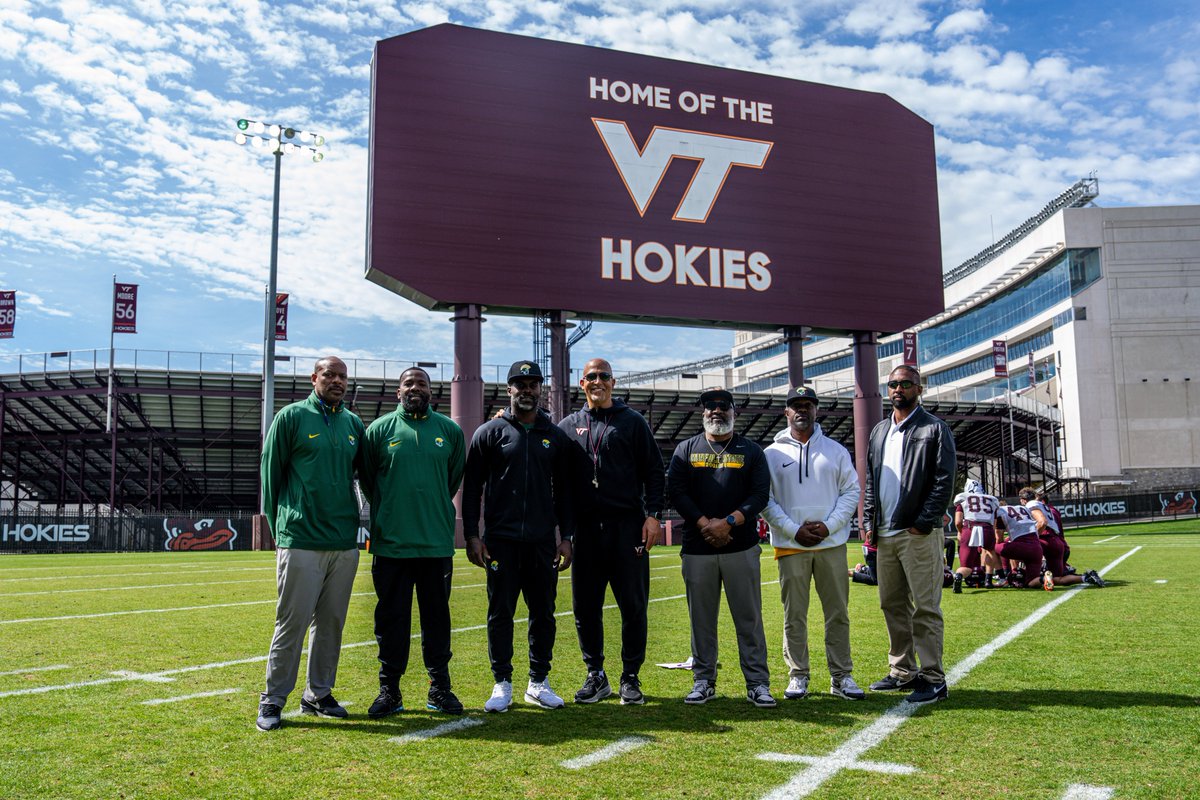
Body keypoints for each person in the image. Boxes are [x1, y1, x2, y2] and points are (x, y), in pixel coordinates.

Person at [256, 356, 366, 732]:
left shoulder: (353, 423)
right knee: (292, 623)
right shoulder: (290, 417)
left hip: (343, 541)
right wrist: (279, 529)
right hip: (300, 538)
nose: (337, 381)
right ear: (314, 377)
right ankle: (272, 699)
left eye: (342, 376)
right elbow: (270, 476)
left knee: (332, 624)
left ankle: (317, 694)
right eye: (330, 374)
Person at [462, 360, 575, 712]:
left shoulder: (554, 436)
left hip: (541, 541)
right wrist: (472, 535)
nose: (526, 389)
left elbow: (565, 492)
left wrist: (566, 536)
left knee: (543, 613)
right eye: (519, 384)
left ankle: (538, 682)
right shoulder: (489, 432)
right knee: (500, 613)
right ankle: (502, 683)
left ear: (540, 389)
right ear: (509, 388)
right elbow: (472, 489)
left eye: (532, 384)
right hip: (501, 541)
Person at [359, 367, 466, 718]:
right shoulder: (378, 430)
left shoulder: (449, 431)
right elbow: (369, 483)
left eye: (421, 383)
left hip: (435, 545)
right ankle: (389, 690)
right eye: (409, 383)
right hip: (391, 545)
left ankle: (440, 688)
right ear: (397, 392)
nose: (415, 388)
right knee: (391, 621)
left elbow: (450, 480)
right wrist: (391, 511)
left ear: (431, 391)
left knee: (437, 620)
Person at [558, 358, 664, 706]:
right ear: (582, 383)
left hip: (627, 528)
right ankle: (596, 675)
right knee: (585, 607)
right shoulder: (569, 425)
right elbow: (556, 475)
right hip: (587, 531)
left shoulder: (632, 422)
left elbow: (654, 471)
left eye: (603, 376)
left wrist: (654, 516)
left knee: (633, 605)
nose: (597, 381)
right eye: (591, 377)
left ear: (613, 382)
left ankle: (630, 676)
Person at [667, 388, 775, 708]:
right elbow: (677, 492)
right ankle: (703, 680)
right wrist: (705, 524)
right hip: (697, 548)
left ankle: (757, 683)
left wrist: (728, 522)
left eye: (722, 406)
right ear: (702, 413)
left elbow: (760, 495)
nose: (716, 411)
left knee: (748, 618)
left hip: (740, 546)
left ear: (733, 411)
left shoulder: (751, 450)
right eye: (710, 407)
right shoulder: (686, 449)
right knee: (701, 620)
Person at [761, 386, 864, 702]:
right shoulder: (771, 454)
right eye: (796, 405)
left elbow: (851, 491)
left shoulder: (835, 450)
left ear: (816, 410)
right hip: (792, 546)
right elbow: (764, 499)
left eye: (808, 405)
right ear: (786, 412)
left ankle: (841, 676)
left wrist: (829, 525)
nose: (802, 410)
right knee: (795, 615)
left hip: (830, 544)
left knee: (837, 614)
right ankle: (798, 676)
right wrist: (793, 530)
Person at [862, 365, 956, 705]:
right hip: (885, 534)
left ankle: (933, 677)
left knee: (925, 607)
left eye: (905, 383)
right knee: (891, 604)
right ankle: (902, 670)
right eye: (892, 384)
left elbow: (944, 480)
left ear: (919, 388)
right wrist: (869, 521)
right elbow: (872, 481)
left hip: (917, 533)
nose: (897, 389)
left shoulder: (934, 428)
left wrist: (923, 521)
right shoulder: (879, 431)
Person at [1020, 488, 1104, 588]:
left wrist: (1032, 538)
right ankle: (1086, 577)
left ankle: (1013, 573)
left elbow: (1042, 522)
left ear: (1023, 499)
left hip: (1045, 539)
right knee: (1058, 578)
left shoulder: (1031, 504)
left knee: (1013, 546)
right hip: (1057, 542)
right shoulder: (1045, 506)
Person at [951, 479, 1000, 593]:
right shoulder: (991, 500)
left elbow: (958, 522)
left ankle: (959, 575)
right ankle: (988, 580)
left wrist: (961, 532)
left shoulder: (963, 498)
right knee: (990, 551)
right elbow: (994, 523)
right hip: (987, 527)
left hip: (970, 527)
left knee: (966, 565)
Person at [994, 502, 1046, 588]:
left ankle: (1002, 577)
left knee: (991, 547)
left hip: (1021, 547)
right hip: (1036, 548)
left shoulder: (1000, 512)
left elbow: (998, 539)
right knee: (1031, 582)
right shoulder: (1023, 508)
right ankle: (1044, 579)